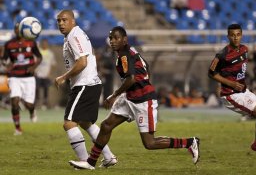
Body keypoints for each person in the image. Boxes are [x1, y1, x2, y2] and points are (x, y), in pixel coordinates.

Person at [69, 26, 200, 170]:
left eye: (116, 38)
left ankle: (189, 142)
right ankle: (91, 162)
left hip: (143, 101)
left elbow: (131, 79)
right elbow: (146, 66)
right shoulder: (130, 51)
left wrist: (114, 95)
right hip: (130, 98)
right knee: (106, 125)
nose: (112, 41)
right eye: (111, 38)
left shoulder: (124, 55)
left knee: (149, 143)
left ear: (124, 40)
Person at [55, 10, 117, 169]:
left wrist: (64, 77)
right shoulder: (75, 35)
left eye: (64, 20)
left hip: (85, 84)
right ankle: (109, 156)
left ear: (73, 21)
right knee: (85, 123)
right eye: (59, 21)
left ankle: (85, 161)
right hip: (91, 83)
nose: (61, 23)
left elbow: (82, 62)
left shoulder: (74, 36)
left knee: (69, 123)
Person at [208, 23, 256, 156]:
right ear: (228, 36)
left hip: (244, 91)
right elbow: (211, 73)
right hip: (230, 95)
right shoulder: (222, 55)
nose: (235, 38)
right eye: (232, 35)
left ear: (241, 35)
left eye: (238, 35)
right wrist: (231, 83)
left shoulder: (245, 49)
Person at [1, 22, 42, 135]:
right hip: (14, 76)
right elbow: (4, 59)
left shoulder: (31, 42)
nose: (17, 31)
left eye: (19, 29)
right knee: (15, 101)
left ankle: (32, 111)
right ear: (14, 31)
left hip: (28, 77)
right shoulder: (9, 44)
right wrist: (6, 64)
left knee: (29, 104)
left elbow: (39, 57)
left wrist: (34, 67)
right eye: (16, 29)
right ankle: (18, 128)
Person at [35, 38, 56, 109]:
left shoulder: (50, 53)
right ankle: (37, 102)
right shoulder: (38, 52)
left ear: (47, 44)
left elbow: (52, 64)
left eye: (45, 43)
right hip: (38, 74)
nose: (44, 44)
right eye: (43, 43)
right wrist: (35, 71)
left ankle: (44, 103)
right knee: (37, 88)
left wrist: (50, 73)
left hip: (46, 74)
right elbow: (35, 63)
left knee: (46, 89)